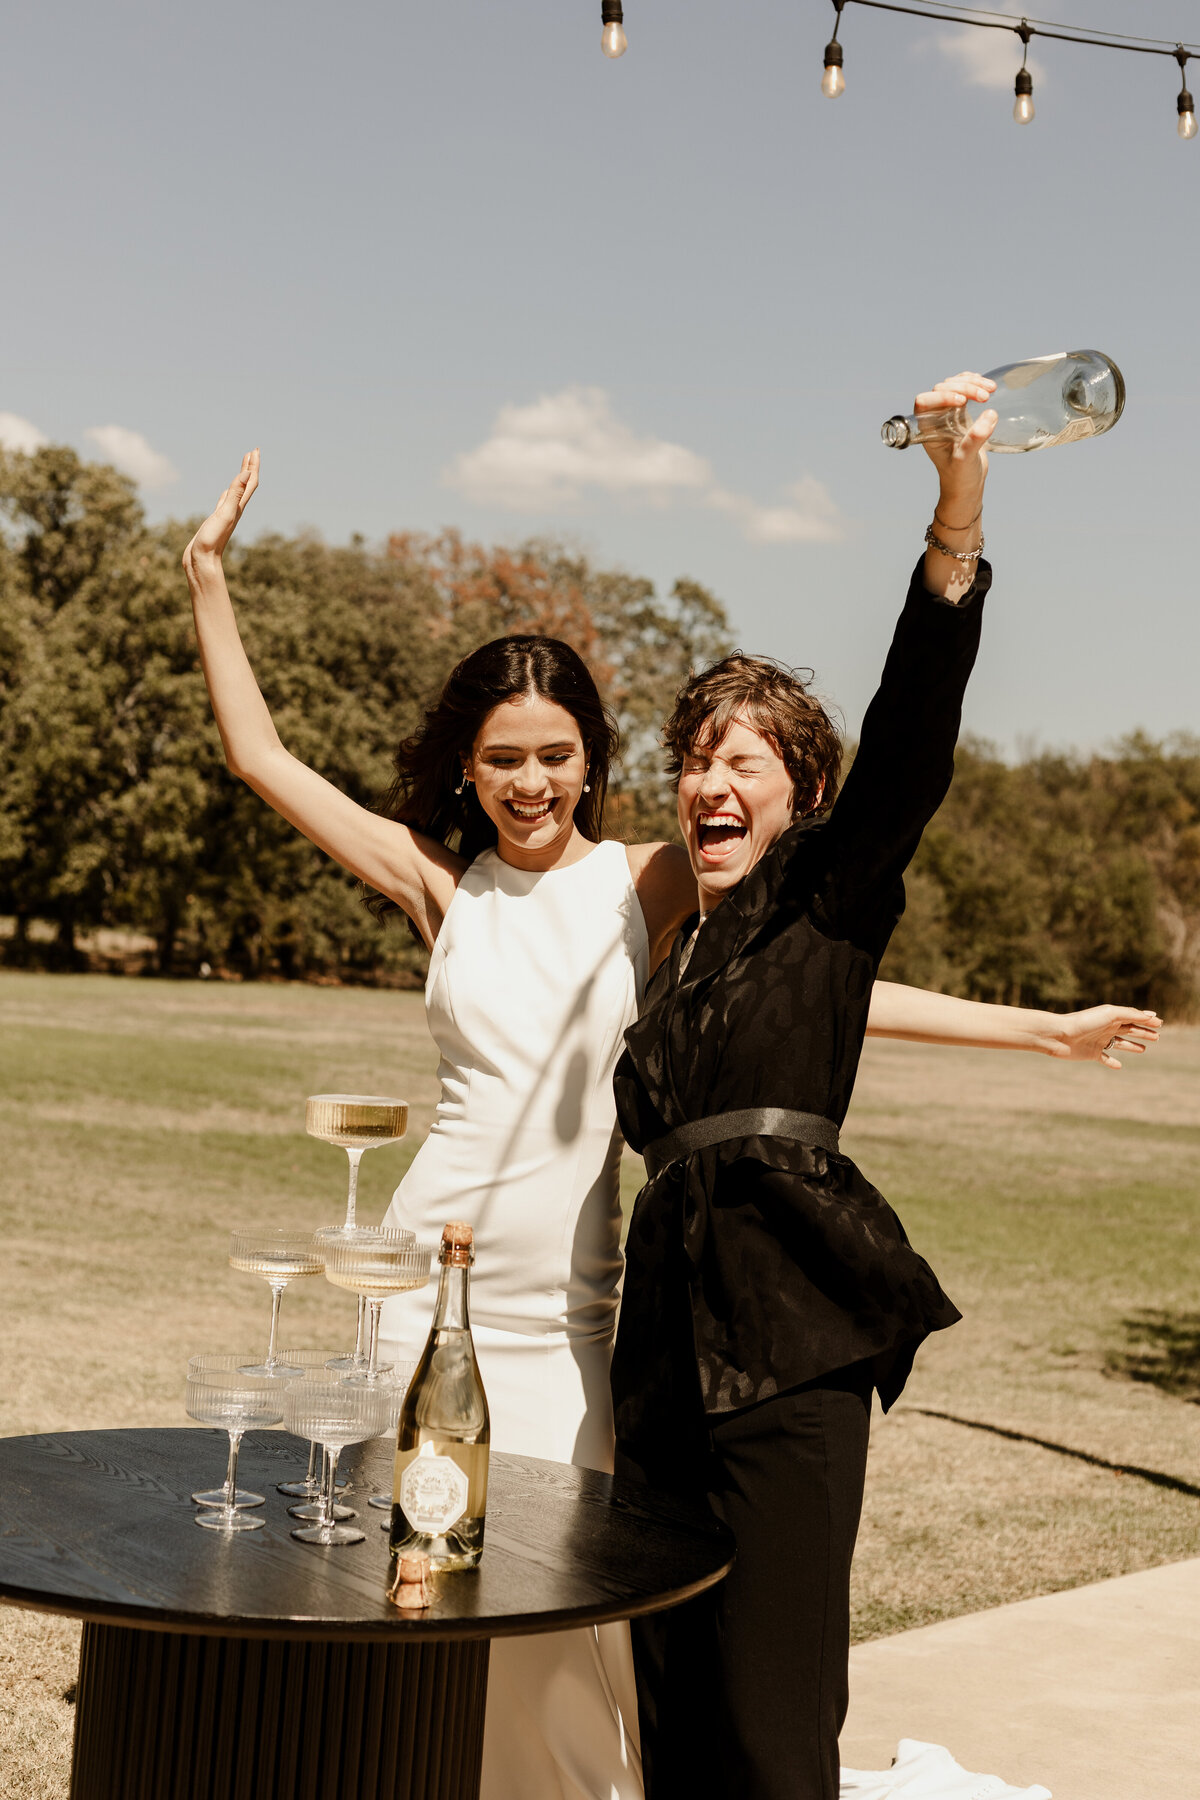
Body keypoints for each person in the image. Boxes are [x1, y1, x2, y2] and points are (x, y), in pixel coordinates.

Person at [181, 427, 1158, 1800]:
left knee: (567, 1635)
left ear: (592, 765)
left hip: (589, 1319)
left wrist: (1035, 1031)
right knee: (402, 1596)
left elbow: (817, 980)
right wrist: (208, 578)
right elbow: (259, 755)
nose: (530, 781)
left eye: (558, 754)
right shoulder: (442, 887)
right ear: (468, 768)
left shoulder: (650, 884)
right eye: (504, 757)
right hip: (449, 1289)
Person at [609, 369, 1122, 1800]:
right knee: (673, 1712)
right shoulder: (675, 952)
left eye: (746, 760)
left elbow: (910, 730)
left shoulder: (828, 895)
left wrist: (954, 519)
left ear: (801, 794)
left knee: (774, 1728)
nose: (713, 781)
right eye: (697, 760)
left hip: (792, 1343)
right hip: (656, 1361)